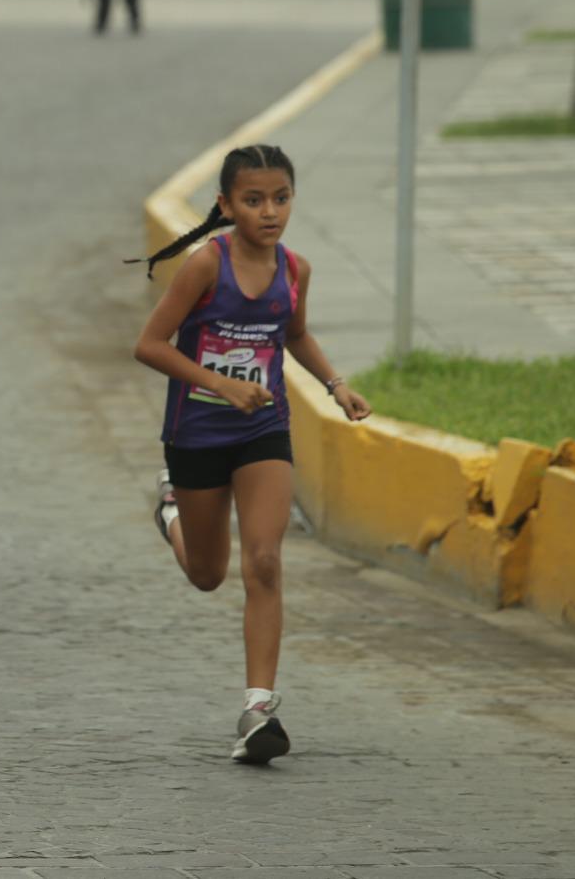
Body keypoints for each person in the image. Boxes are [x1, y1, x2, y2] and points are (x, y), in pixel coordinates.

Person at [130, 144, 370, 765]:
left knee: (264, 560)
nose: (269, 212)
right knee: (208, 574)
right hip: (196, 434)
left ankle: (258, 707)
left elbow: (293, 335)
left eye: (281, 199)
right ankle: (172, 512)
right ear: (226, 205)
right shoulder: (205, 267)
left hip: (264, 430)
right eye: (254, 200)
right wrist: (221, 385)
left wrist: (335, 384)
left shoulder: (296, 271)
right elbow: (150, 345)